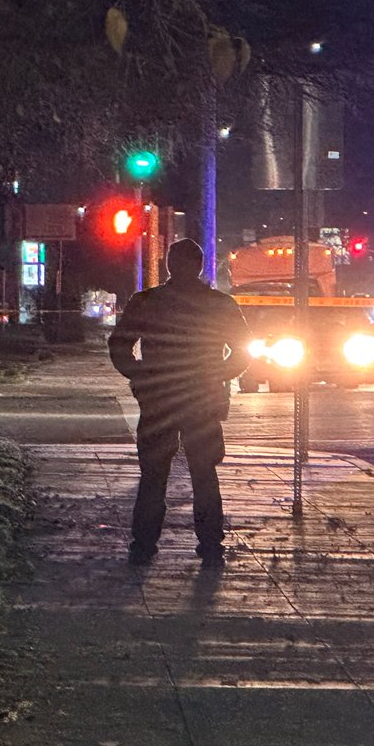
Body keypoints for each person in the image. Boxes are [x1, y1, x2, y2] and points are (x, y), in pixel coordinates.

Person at [108, 238, 252, 569]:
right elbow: (242, 352)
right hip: (201, 398)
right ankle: (210, 545)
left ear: (169, 264)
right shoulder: (219, 304)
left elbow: (120, 346)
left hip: (160, 398)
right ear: (200, 266)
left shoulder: (147, 301)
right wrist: (217, 375)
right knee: (204, 474)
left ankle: (144, 545)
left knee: (154, 475)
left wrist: (141, 376)